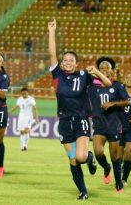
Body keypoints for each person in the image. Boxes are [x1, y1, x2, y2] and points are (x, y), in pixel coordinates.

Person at [48, 19, 112, 200]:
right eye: (65, 60)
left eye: (71, 60)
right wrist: (52, 31)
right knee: (73, 160)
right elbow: (52, 55)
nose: (67, 62)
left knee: (82, 157)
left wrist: (97, 72)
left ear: (76, 63)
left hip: (82, 121)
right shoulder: (58, 75)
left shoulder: (84, 75)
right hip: (64, 123)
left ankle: (90, 158)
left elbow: (107, 84)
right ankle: (83, 191)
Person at [88, 57, 131, 193]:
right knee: (98, 152)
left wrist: (113, 104)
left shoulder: (117, 86)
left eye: (107, 68)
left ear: (112, 70)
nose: (105, 70)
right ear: (98, 71)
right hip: (99, 124)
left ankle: (118, 183)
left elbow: (128, 101)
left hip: (114, 124)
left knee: (115, 156)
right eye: (102, 68)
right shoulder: (92, 87)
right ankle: (106, 167)